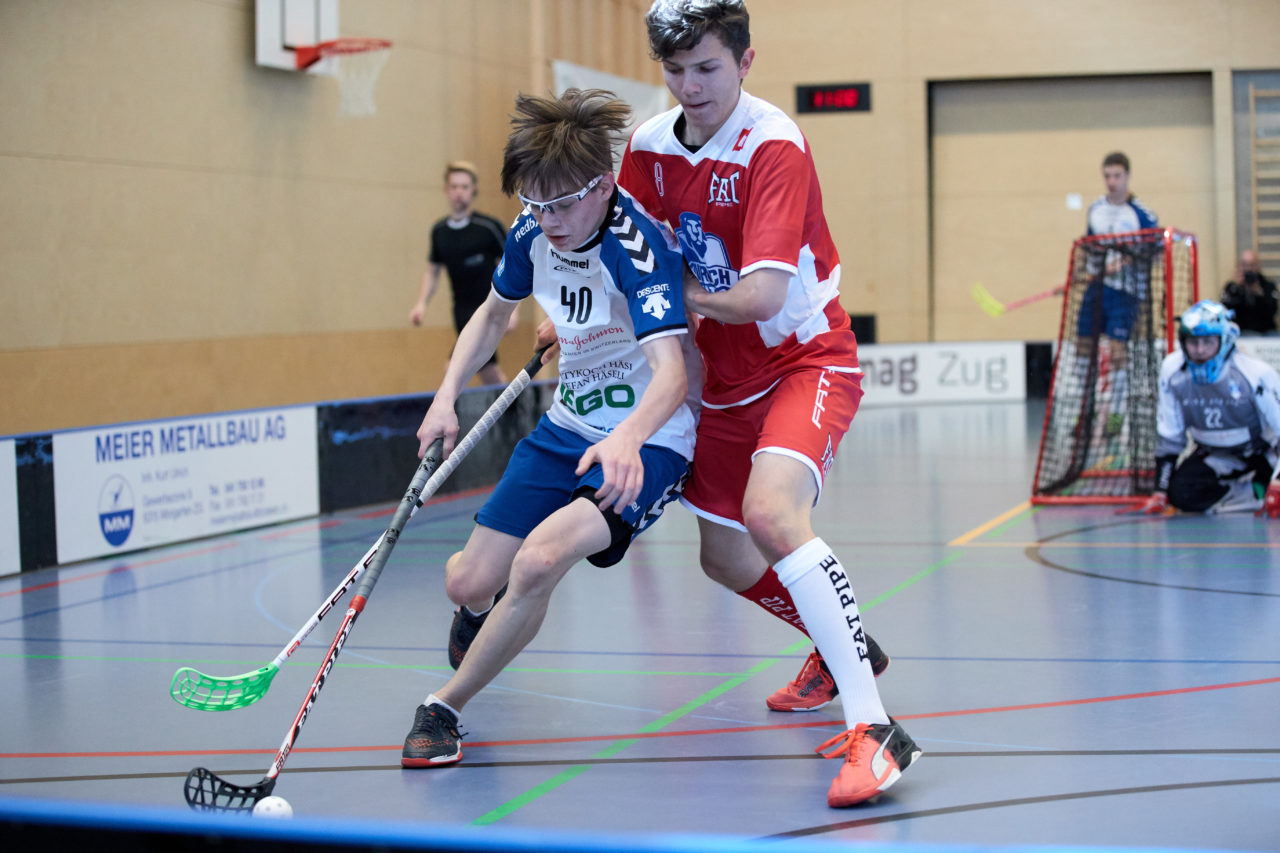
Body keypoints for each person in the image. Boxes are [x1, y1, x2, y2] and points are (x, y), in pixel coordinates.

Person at [617, 0, 918, 808]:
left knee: (771, 514)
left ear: (746, 62)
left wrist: (657, 295)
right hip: (720, 379)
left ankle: (876, 728)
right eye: (674, 71)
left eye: (707, 68)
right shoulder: (647, 147)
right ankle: (840, 643)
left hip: (803, 360)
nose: (689, 86)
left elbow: (759, 295)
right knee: (722, 556)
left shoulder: (773, 144)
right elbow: (625, 250)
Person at [399, 89, 698, 769]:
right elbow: (492, 314)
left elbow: (672, 375)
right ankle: (481, 613)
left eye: (561, 204)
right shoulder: (531, 230)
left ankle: (443, 708)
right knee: (466, 582)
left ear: (603, 186)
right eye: (534, 204)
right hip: (567, 426)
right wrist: (445, 398)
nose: (548, 221)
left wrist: (628, 437)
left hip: (646, 440)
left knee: (538, 561)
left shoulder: (636, 247)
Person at [1127, 300, 1280, 516]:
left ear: (1224, 340)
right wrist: (1160, 492)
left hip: (1263, 453)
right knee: (1181, 494)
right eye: (1193, 342)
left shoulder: (1256, 374)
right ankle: (1254, 496)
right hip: (1215, 455)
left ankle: (1264, 484)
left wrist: (1278, 480)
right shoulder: (1172, 370)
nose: (1200, 350)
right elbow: (1170, 436)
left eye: (1208, 342)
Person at [1075, 151, 1159, 437]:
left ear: (1127, 176)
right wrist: (1078, 272)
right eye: (1107, 176)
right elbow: (1087, 246)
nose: (1112, 181)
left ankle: (1116, 414)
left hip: (1127, 292)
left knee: (1117, 350)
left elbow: (1155, 252)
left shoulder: (1142, 215)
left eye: (1117, 176)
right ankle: (1085, 410)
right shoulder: (1096, 210)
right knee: (1083, 346)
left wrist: (1124, 261)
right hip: (1096, 288)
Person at [409, 160, 514, 385]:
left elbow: (513, 265)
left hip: (488, 310)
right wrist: (421, 304)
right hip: (460, 312)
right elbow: (433, 271)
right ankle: (516, 407)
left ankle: (448, 409)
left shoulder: (488, 227)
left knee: (453, 371)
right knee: (489, 373)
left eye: (464, 187)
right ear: (446, 190)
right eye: (454, 186)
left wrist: (512, 310)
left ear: (473, 190)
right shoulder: (439, 231)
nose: (459, 192)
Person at [1220, 249, 1278, 336]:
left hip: (1265, 332)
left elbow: (1273, 312)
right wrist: (1236, 290)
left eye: (1251, 265)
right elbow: (1225, 311)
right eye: (1245, 265)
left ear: (1257, 266)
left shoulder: (1268, 286)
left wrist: (1260, 294)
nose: (1248, 269)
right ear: (1239, 266)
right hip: (1241, 332)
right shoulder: (1231, 287)